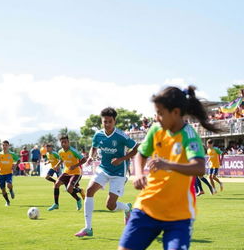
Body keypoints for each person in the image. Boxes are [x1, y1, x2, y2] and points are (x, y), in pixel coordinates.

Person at [118, 86, 221, 250]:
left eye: (160, 113)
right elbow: (141, 155)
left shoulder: (189, 135)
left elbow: (200, 168)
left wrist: (168, 165)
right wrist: (138, 174)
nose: (157, 118)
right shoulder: (156, 130)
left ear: (175, 112)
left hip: (178, 215)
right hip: (148, 206)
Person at [75, 107, 139, 237]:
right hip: (103, 169)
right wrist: (90, 157)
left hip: (119, 173)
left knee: (110, 206)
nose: (107, 124)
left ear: (114, 121)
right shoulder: (98, 134)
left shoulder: (121, 136)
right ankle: (88, 228)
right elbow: (94, 146)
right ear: (102, 121)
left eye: (110, 121)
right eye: (105, 121)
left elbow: (136, 147)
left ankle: (127, 208)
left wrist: (121, 159)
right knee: (89, 191)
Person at [47, 135, 86, 211]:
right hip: (66, 172)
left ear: (68, 142)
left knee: (69, 189)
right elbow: (61, 159)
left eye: (65, 142)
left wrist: (75, 165)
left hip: (76, 173)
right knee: (56, 184)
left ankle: (79, 195)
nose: (64, 144)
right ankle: (56, 204)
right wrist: (57, 165)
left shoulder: (73, 151)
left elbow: (84, 159)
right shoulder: (60, 151)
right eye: (62, 142)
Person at [0, 140, 20, 206]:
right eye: (3, 145)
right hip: (1, 174)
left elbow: (18, 160)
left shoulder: (12, 154)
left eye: (6, 145)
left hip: (9, 173)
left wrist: (15, 165)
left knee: (9, 184)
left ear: (8, 146)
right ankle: (7, 201)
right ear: (1, 146)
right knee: (3, 190)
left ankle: (11, 190)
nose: (4, 146)